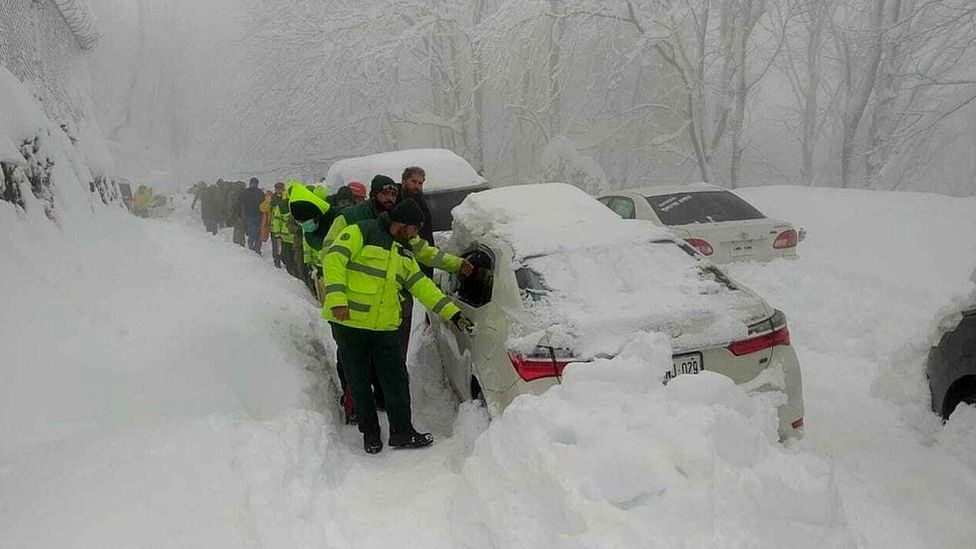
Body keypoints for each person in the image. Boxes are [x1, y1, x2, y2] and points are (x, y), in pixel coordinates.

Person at [323, 198, 474, 454]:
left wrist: (453, 313)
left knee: (396, 380)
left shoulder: (403, 252)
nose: (416, 235)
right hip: (349, 324)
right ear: (403, 223)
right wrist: (337, 298)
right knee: (358, 381)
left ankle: (402, 432)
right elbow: (334, 259)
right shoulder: (362, 231)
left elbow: (423, 287)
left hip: (385, 328)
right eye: (415, 229)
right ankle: (370, 434)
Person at [241, 177, 266, 254]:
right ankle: (256, 249)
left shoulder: (245, 192)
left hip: (250, 215)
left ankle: (252, 249)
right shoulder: (261, 193)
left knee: (252, 232)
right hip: (258, 215)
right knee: (258, 233)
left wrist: (243, 215)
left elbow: (241, 204)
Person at [226, 181, 246, 246]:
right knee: (241, 230)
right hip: (244, 214)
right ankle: (241, 243)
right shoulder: (245, 193)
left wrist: (230, 214)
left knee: (237, 229)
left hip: (236, 214)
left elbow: (230, 205)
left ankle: (237, 243)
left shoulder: (232, 194)